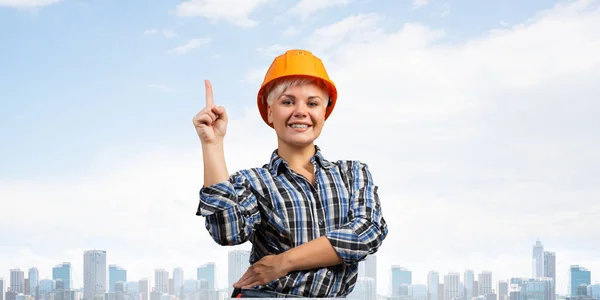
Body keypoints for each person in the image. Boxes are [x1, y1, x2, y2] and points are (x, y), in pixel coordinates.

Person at [193, 49, 388, 298]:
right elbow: (228, 233)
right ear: (270, 112)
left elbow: (368, 232)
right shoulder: (252, 182)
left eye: (312, 103)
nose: (300, 111)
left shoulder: (353, 173)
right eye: (287, 101)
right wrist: (212, 144)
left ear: (324, 113)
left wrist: (284, 262)